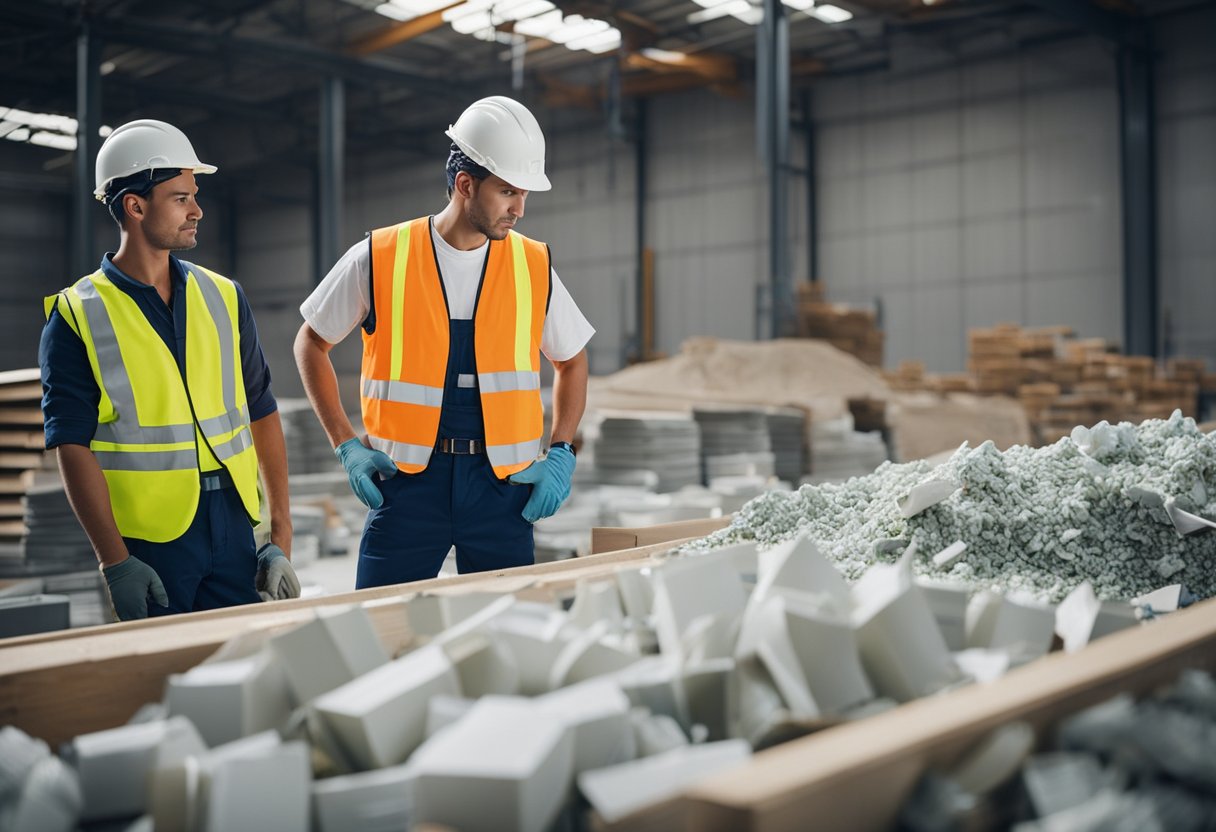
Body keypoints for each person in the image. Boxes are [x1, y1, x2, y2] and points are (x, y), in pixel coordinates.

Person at [295, 96, 593, 588]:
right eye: (508, 193)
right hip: (406, 486)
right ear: (465, 184)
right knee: (378, 626)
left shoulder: (532, 264)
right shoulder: (380, 255)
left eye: (525, 195)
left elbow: (573, 360)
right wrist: (346, 445)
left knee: (506, 630)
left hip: (503, 488)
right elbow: (310, 343)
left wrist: (561, 451)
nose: (520, 209)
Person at [39, 119, 299, 621]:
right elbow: (71, 445)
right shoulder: (76, 315)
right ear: (135, 207)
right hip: (152, 545)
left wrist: (278, 536)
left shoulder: (224, 295)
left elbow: (261, 410)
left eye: (194, 195)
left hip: (233, 527)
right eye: (181, 198)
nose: (198, 210)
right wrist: (115, 561)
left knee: (239, 666)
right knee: (164, 680)